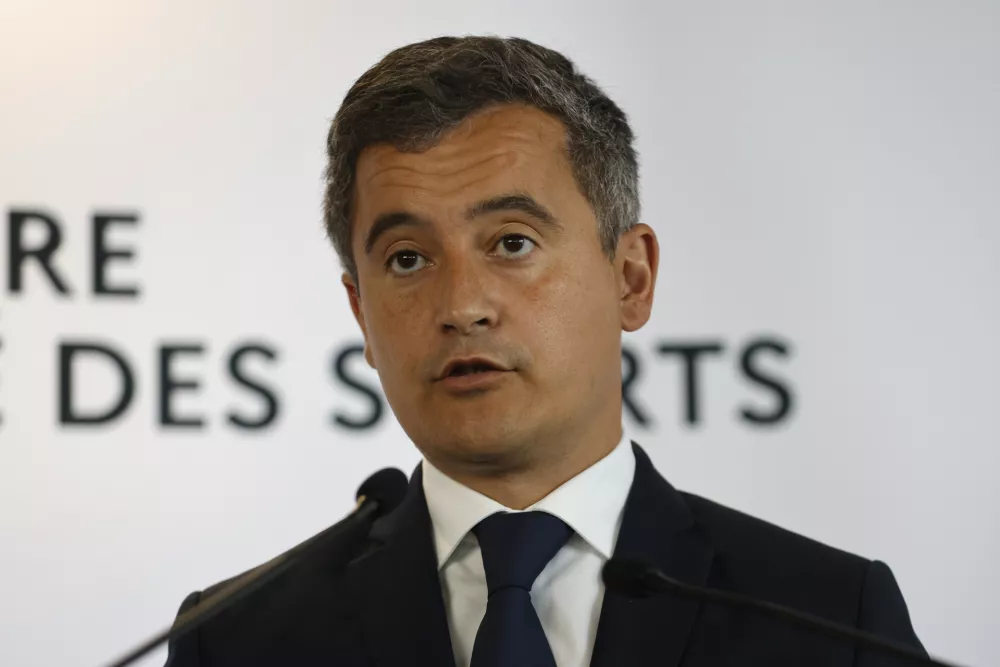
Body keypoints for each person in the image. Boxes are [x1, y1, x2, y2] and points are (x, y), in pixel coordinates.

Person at [165, 36, 924, 667]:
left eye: (512, 243)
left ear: (631, 277)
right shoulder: (235, 640)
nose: (462, 306)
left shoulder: (829, 621)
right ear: (361, 312)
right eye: (407, 258)